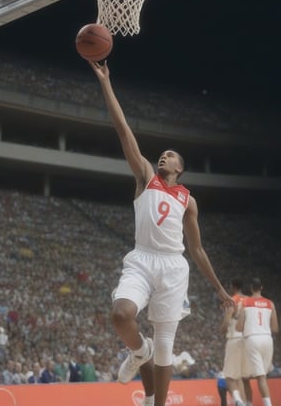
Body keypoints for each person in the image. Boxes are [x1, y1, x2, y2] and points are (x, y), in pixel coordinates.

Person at [89, 60, 234, 406]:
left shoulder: (189, 200)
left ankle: (156, 402)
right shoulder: (144, 176)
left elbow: (197, 250)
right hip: (141, 259)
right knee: (121, 314)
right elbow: (123, 129)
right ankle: (139, 351)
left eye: (170, 156)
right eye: (162, 154)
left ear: (179, 168)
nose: (163, 157)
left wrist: (219, 289)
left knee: (167, 345)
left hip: (173, 266)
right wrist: (106, 82)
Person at [236, 277, 279, 406]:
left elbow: (238, 327)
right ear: (261, 288)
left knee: (258, 377)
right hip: (267, 339)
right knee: (262, 376)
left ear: (250, 288)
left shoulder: (245, 303)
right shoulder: (270, 304)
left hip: (252, 339)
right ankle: (251, 403)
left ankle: (267, 404)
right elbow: (275, 328)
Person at [221, 278, 250, 406]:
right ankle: (246, 403)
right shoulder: (249, 301)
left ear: (233, 286)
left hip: (234, 338)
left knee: (229, 375)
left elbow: (227, 322)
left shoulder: (232, 300)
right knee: (243, 378)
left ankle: (238, 401)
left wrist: (222, 328)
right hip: (248, 339)